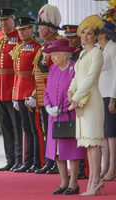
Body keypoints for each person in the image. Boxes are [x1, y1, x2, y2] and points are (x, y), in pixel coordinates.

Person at [68, 15, 105, 196]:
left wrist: (76, 97)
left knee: (94, 142)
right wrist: (70, 91)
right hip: (81, 101)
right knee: (88, 144)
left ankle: (96, 181)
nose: (85, 36)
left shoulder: (97, 53)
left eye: (89, 33)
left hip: (92, 102)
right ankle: (93, 182)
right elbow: (77, 77)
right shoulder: (82, 53)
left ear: (96, 36)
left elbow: (91, 78)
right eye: (83, 33)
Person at [43, 39, 86, 195]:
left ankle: (74, 184)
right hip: (54, 117)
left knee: (71, 151)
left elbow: (78, 91)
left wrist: (63, 108)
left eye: (55, 54)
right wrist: (48, 107)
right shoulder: (53, 69)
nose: (52, 57)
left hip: (70, 114)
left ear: (65, 54)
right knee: (56, 152)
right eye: (51, 54)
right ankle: (63, 182)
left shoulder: (75, 68)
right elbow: (47, 92)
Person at [0, 8, 22, 171]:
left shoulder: (19, 35)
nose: (3, 23)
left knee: (17, 126)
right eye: (0, 20)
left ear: (12, 20)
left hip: (13, 86)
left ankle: (19, 159)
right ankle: (10, 159)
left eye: (6, 20)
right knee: (6, 127)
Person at [34, 3, 63, 175]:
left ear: (50, 27)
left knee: (54, 131)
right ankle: (49, 161)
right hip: (42, 94)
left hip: (54, 94)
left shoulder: (59, 43)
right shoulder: (45, 45)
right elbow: (36, 72)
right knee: (46, 130)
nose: (39, 30)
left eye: (42, 26)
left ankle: (54, 162)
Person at [12, 16, 42, 173]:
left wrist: (35, 95)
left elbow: (38, 74)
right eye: (19, 30)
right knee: (26, 129)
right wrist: (14, 95)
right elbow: (17, 73)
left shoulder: (38, 48)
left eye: (24, 29)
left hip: (30, 93)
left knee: (35, 129)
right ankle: (27, 161)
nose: (22, 33)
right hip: (20, 92)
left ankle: (37, 162)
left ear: (32, 29)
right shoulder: (19, 48)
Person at [62, 24, 87, 179]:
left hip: (82, 98)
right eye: (68, 37)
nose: (70, 40)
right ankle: (78, 169)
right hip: (71, 99)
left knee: (82, 135)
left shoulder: (82, 54)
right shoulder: (68, 55)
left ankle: (82, 168)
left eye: (73, 37)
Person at [98, 20, 116, 181]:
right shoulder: (100, 49)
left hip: (109, 95)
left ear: (104, 33)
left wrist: (113, 98)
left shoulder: (113, 48)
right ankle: (105, 167)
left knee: (111, 134)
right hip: (100, 95)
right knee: (104, 133)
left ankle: (113, 168)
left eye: (97, 31)